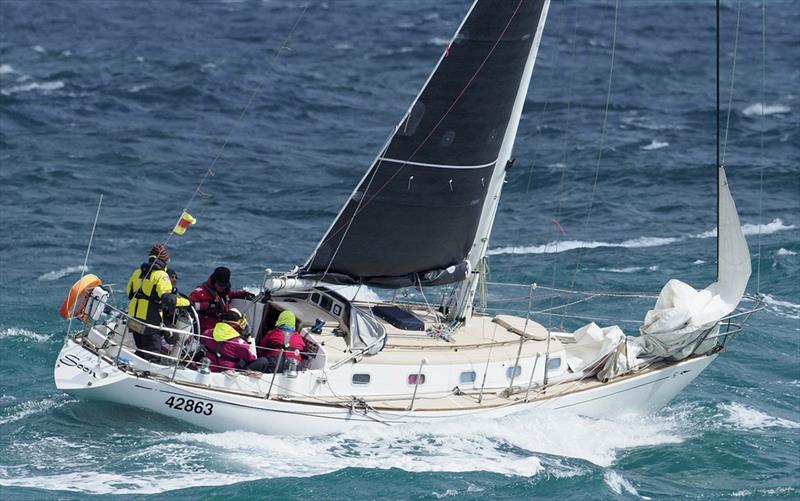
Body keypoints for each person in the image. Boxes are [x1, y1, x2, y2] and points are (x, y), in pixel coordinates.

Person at [127, 243, 187, 361]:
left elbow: (129, 293)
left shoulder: (137, 272)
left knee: (141, 350)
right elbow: (168, 299)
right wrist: (186, 302)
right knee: (153, 355)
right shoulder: (161, 275)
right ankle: (146, 375)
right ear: (164, 261)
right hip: (150, 320)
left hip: (133, 319)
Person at [200, 309, 270, 373]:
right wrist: (249, 339)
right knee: (263, 361)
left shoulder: (207, 333)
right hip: (227, 374)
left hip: (210, 368)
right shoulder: (239, 343)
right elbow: (253, 357)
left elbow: (202, 343)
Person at [189, 266, 255, 333]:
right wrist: (209, 305)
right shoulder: (200, 292)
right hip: (206, 330)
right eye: (220, 285)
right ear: (214, 281)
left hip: (223, 326)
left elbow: (231, 294)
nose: (222, 288)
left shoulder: (225, 292)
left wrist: (244, 294)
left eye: (224, 285)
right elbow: (190, 306)